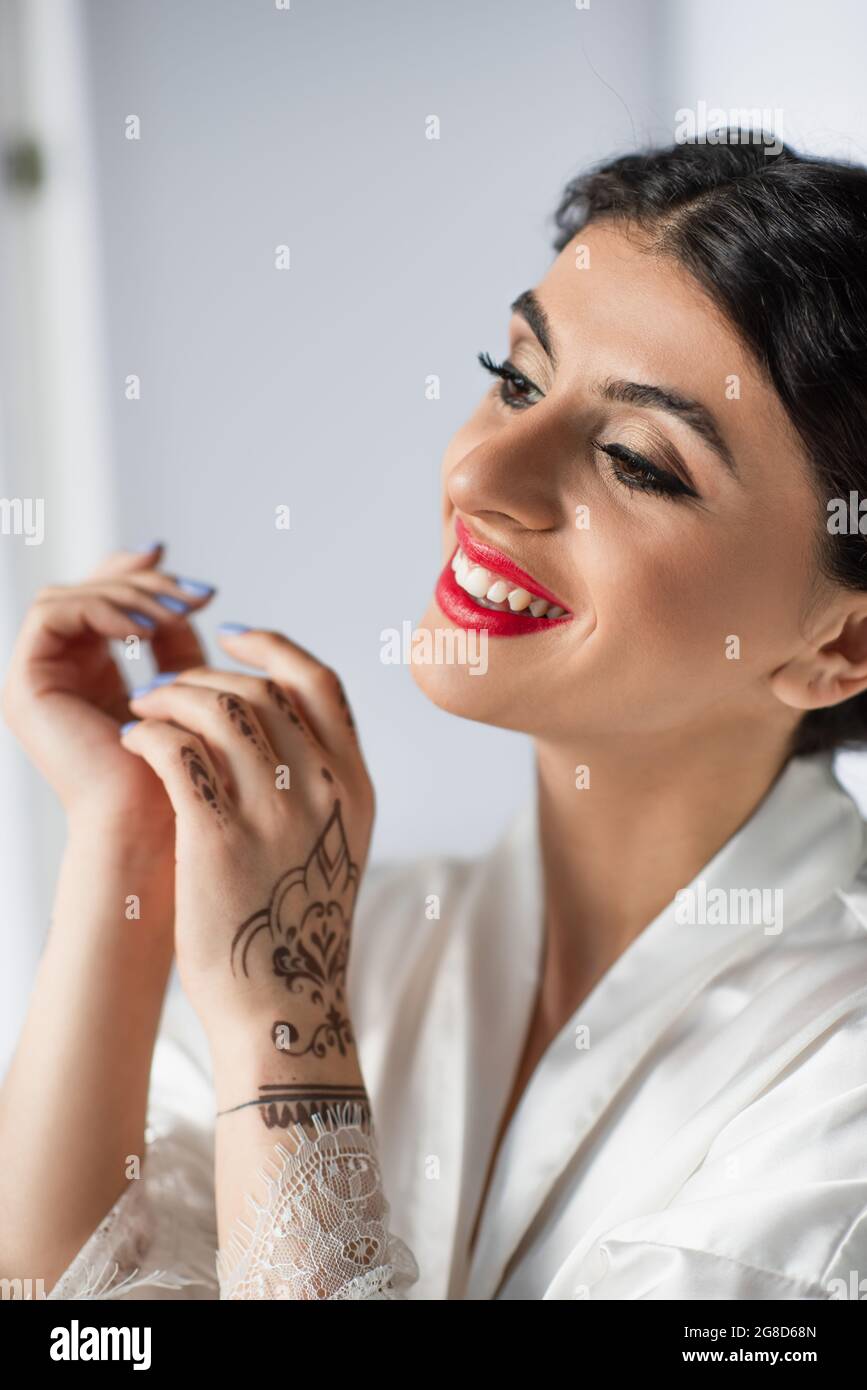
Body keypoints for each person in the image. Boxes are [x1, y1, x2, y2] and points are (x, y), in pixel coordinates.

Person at [2, 131, 867, 1301]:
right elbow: (64, 1311)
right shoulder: (370, 938)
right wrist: (123, 841)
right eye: (517, 377)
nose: (480, 474)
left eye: (634, 458)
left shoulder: (840, 1083)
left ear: (840, 642)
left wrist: (287, 1037)